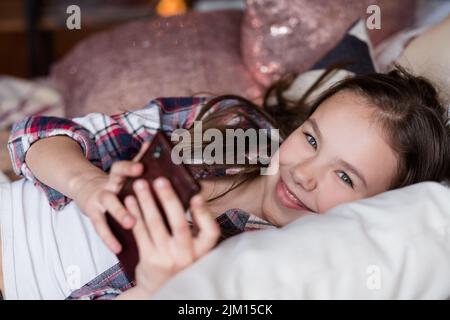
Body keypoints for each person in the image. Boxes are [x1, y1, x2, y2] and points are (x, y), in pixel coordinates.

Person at [1, 67, 449, 299]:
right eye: (311, 138)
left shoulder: (281, 271)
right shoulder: (235, 130)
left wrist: (157, 289)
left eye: (345, 175)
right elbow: (36, 136)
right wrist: (87, 184)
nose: (303, 173)